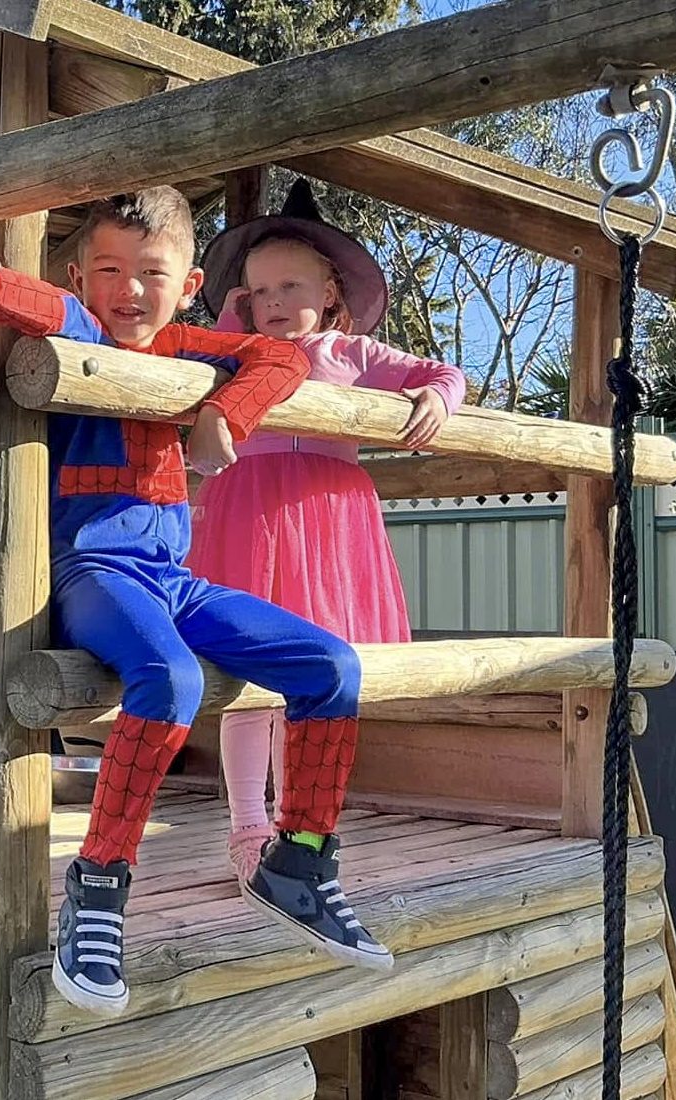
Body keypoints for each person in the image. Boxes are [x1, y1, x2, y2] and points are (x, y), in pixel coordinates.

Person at [0, 186, 390, 1018]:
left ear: (188, 282)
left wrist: (223, 415)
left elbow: (278, 359)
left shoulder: (185, 346)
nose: (128, 289)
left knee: (329, 664)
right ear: (79, 274)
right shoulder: (77, 327)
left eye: (150, 273)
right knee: (166, 680)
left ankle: (301, 859)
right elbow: (29, 302)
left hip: (173, 576)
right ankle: (98, 886)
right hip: (87, 570)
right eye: (108, 269)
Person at [191, 180, 466, 883]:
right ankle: (247, 825)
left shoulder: (352, 352)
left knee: (317, 676)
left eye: (289, 285)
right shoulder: (235, 349)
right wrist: (229, 323)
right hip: (248, 518)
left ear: (331, 291)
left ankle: (301, 822)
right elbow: (186, 367)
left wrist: (436, 395)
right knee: (249, 677)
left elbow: (443, 371)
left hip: (325, 523)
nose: (272, 301)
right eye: (256, 290)